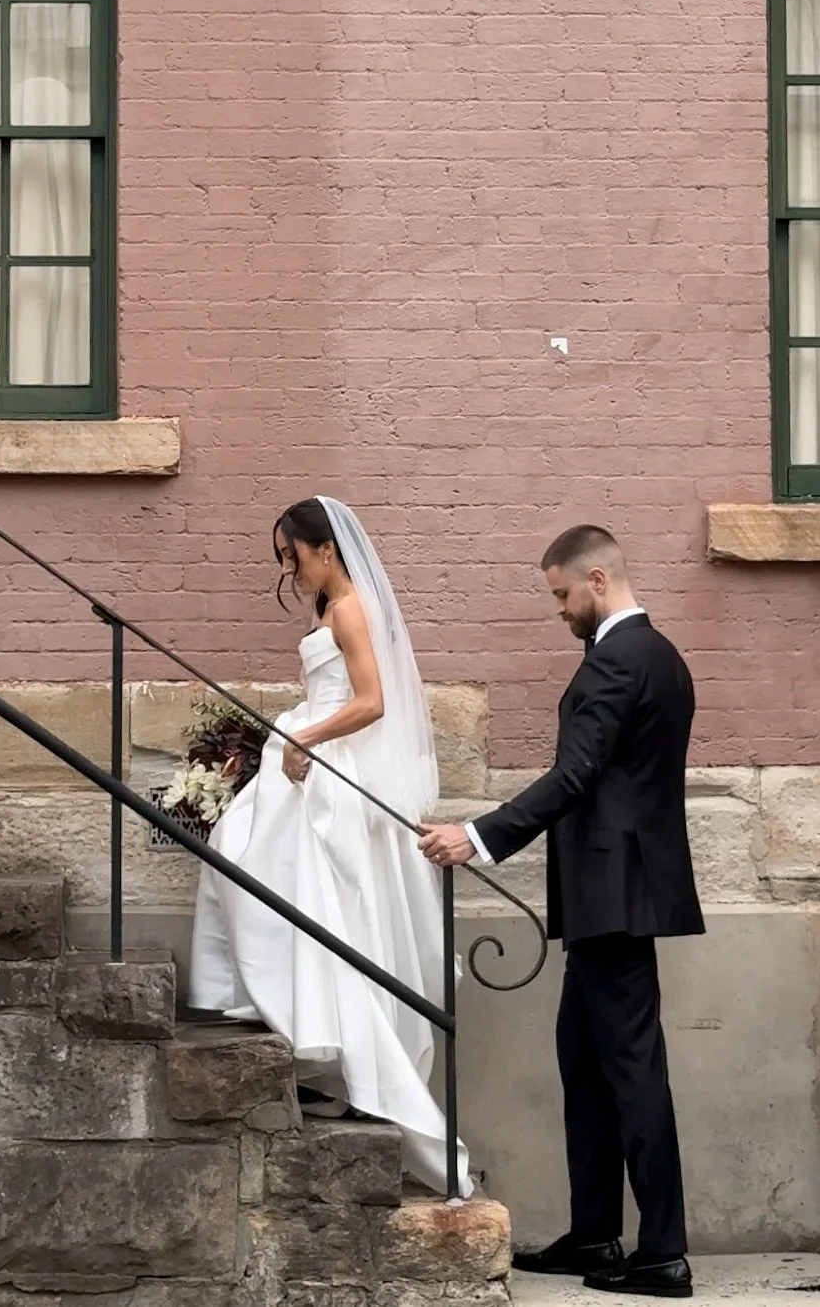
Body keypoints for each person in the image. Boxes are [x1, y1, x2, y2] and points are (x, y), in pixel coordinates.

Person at [418, 525, 701, 1299]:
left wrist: (475, 836)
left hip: (614, 898)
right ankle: (598, 1237)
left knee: (633, 1073)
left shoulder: (618, 660)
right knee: (585, 1065)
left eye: (562, 595)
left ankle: (664, 1254)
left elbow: (574, 776)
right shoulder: (663, 658)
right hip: (612, 898)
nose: (559, 611)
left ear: (598, 579)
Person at [188, 496, 470, 1197]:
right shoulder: (332, 610)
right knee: (254, 858)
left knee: (300, 885)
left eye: (294, 554)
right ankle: (290, 1008)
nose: (289, 567)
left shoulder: (349, 610)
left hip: (327, 763)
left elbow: (372, 702)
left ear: (327, 550)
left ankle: (309, 1017)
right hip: (311, 757)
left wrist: (302, 737)